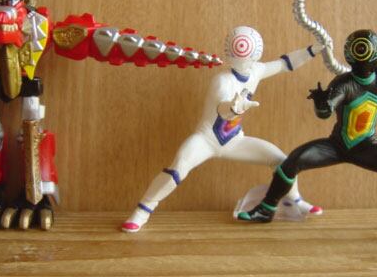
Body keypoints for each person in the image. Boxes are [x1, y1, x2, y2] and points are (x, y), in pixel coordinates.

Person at [238, 28, 377, 247]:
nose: (361, 61)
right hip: (337, 146)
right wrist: (322, 103)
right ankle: (267, 208)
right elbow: (326, 110)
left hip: (366, 147)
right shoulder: (344, 83)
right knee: (293, 161)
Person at [122, 26, 324, 232]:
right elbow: (222, 107)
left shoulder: (257, 71)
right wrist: (234, 108)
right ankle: (142, 210)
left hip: (234, 140)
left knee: (283, 161)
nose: (243, 57)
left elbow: (285, 64)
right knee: (178, 167)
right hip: (206, 139)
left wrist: (313, 50)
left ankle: (296, 200)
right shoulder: (222, 80)